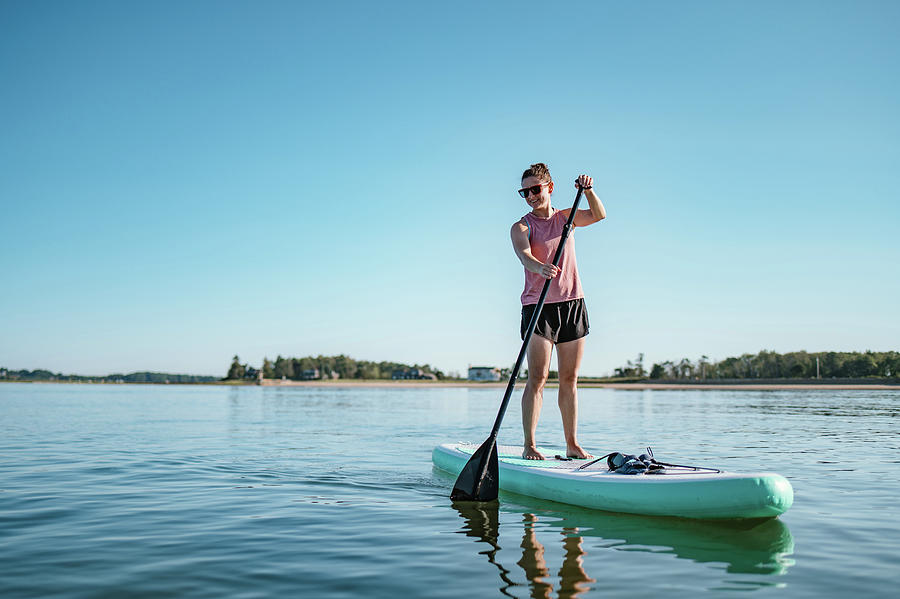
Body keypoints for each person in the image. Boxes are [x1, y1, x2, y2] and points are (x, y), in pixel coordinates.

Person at [510, 163, 606, 460]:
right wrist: (540, 267)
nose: (530, 196)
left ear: (549, 188)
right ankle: (529, 444)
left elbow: (599, 215)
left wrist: (588, 192)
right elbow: (524, 256)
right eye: (524, 192)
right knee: (537, 379)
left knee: (569, 379)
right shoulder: (521, 226)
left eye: (535, 190)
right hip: (538, 307)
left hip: (573, 303)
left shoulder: (566, 217)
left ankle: (572, 444)